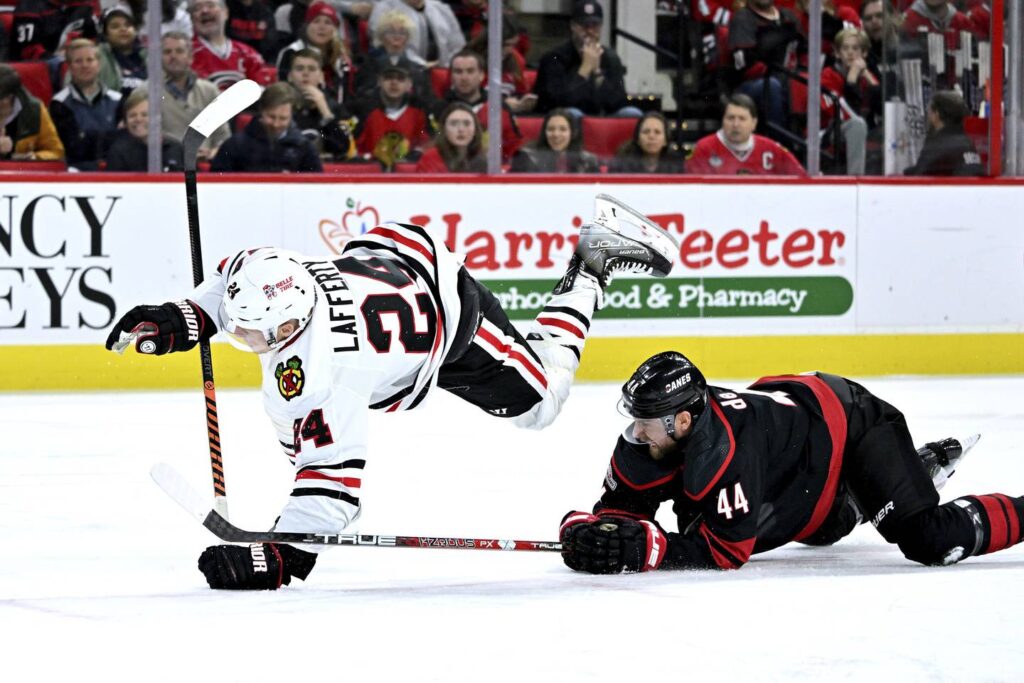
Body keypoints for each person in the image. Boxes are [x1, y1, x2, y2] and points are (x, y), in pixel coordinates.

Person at [103, 194, 681, 590]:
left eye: (251, 332)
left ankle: (591, 262)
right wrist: (182, 318)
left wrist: (280, 555)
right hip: (394, 258)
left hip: (451, 320)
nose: (237, 334)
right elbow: (228, 284)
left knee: (541, 406)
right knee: (298, 425)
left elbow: (334, 485)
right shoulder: (268, 270)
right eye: (235, 323)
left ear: (287, 328)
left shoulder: (328, 375)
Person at [558, 351, 1022, 574]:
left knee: (929, 539)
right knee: (825, 530)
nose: (636, 433)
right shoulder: (649, 437)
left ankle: (900, 482)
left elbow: (725, 551)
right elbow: (621, 512)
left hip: (851, 423)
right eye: (634, 419)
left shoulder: (727, 451)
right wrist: (589, 532)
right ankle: (903, 476)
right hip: (799, 448)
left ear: (682, 420)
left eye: (647, 422)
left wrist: (648, 550)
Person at [533, 0, 639, 118]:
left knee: (632, 113)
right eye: (584, 26)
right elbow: (558, 102)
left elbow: (620, 102)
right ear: (573, 26)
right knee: (574, 114)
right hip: (561, 121)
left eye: (595, 26)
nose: (589, 31)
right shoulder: (554, 57)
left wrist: (597, 72)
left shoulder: (610, 58)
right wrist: (584, 70)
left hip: (600, 118)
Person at [726, 0, 802, 136]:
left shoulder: (788, 16)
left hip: (790, 78)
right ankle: (778, 142)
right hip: (754, 83)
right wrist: (780, 76)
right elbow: (745, 65)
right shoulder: (743, 18)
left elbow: (805, 50)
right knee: (773, 86)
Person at [210, 81, 323, 172]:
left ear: (291, 116)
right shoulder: (235, 145)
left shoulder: (304, 147)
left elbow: (317, 188)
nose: (276, 124)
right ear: (262, 111)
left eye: (283, 118)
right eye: (271, 117)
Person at [432, 48, 522, 162]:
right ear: (451, 76)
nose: (464, 78)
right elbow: (431, 146)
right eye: (458, 72)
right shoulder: (438, 108)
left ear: (481, 75)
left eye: (470, 71)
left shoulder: (498, 107)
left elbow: (513, 147)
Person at [153, 30, 230, 162]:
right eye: (167, 52)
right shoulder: (146, 91)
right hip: (166, 163)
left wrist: (213, 153)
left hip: (205, 165)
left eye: (179, 51)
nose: (173, 56)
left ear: (190, 57)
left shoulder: (209, 90)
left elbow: (223, 136)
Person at [49, 38, 124, 171]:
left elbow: (122, 144)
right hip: (76, 173)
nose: (85, 65)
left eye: (90, 60)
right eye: (78, 61)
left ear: (99, 64)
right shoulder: (59, 103)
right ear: (70, 66)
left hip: (114, 170)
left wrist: (86, 136)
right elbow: (72, 149)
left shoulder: (118, 100)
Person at [687, 94, 807, 176]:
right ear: (722, 120)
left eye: (742, 119)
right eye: (730, 118)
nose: (736, 124)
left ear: (754, 123)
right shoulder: (703, 149)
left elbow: (801, 180)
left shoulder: (772, 150)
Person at [352, 62, 429, 169]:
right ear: (379, 82)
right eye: (388, 78)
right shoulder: (364, 112)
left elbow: (425, 144)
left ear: (409, 84)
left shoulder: (420, 114)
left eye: (400, 79)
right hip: (371, 173)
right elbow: (355, 148)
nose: (394, 83)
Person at [276, 2, 354, 105]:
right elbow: (284, 90)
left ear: (335, 30)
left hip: (334, 112)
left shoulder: (342, 58)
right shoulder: (291, 52)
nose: (322, 27)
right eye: (316, 21)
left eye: (328, 22)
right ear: (307, 25)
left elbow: (344, 96)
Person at [353, 8, 434, 106]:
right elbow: (361, 97)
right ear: (381, 36)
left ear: (408, 37)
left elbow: (425, 100)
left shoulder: (418, 69)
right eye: (391, 32)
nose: (397, 37)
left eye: (402, 32)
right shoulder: (367, 65)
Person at [286, 48, 355, 160]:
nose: (305, 73)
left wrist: (325, 112)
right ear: (290, 76)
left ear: (321, 77)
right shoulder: (278, 104)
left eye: (312, 69)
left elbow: (343, 148)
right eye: (299, 69)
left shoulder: (334, 107)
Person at [189, 0, 265, 91]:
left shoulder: (248, 54)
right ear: (192, 19)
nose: (205, 11)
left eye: (210, 5)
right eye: (197, 8)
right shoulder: (185, 54)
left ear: (226, 13)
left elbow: (262, 94)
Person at [904, 90, 984, 176]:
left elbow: (918, 179)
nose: (928, 116)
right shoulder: (967, 144)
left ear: (936, 114)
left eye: (929, 111)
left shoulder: (937, 146)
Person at [103, 87, 184, 171]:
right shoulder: (119, 152)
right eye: (132, 115)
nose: (138, 119)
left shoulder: (177, 148)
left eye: (145, 115)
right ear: (125, 121)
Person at [368, 0, 465, 68]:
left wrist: (449, 66)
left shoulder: (442, 8)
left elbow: (458, 45)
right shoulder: (383, 9)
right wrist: (424, 65)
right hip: (404, 71)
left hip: (446, 71)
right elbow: (387, 46)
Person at [0, 64, 65, 161]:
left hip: (22, 173)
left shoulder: (35, 109)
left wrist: (34, 157)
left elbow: (56, 151)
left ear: (10, 96)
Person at [510, 107, 599, 174]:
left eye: (563, 129)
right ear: (544, 132)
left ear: (572, 133)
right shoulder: (526, 158)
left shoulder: (588, 161)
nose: (556, 134)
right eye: (551, 129)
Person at [415, 100, 485, 172]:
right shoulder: (430, 159)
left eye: (466, 124)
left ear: (475, 129)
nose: (461, 129)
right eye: (454, 124)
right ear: (444, 129)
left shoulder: (485, 159)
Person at [607, 112, 685, 174]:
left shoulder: (676, 165)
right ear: (638, 139)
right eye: (646, 132)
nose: (651, 136)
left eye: (657, 132)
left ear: (665, 140)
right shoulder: (621, 164)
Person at [97, 5, 147, 96]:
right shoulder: (97, 56)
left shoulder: (150, 56)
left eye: (128, 25)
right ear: (105, 34)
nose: (123, 29)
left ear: (135, 31)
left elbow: (164, 95)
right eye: (115, 26)